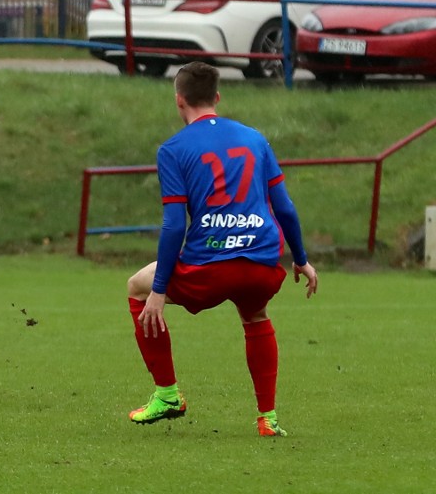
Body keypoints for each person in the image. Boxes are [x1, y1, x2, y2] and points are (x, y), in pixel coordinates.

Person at [126, 61, 317, 436]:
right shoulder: (254, 138)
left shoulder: (173, 149)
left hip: (211, 268)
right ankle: (268, 419)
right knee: (255, 315)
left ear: (179, 101)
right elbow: (285, 208)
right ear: (217, 96)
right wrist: (302, 259)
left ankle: (167, 395)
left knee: (137, 286)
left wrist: (160, 290)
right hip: (262, 263)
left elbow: (174, 224)